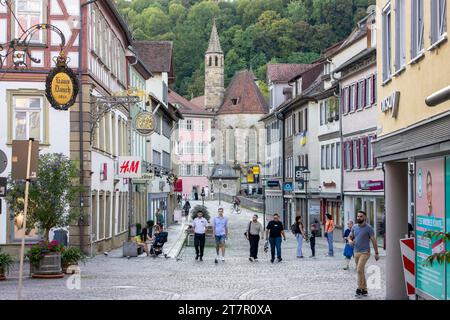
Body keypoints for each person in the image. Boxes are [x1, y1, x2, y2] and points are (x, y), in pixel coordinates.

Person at [348, 211, 380, 297]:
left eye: (361, 216)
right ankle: (364, 290)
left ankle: (359, 288)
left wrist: (376, 253)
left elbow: (373, 240)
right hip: (356, 252)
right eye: (358, 216)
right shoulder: (354, 227)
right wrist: (350, 241)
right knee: (360, 271)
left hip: (365, 252)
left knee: (359, 270)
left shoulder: (369, 228)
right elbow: (350, 236)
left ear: (364, 217)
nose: (358, 218)